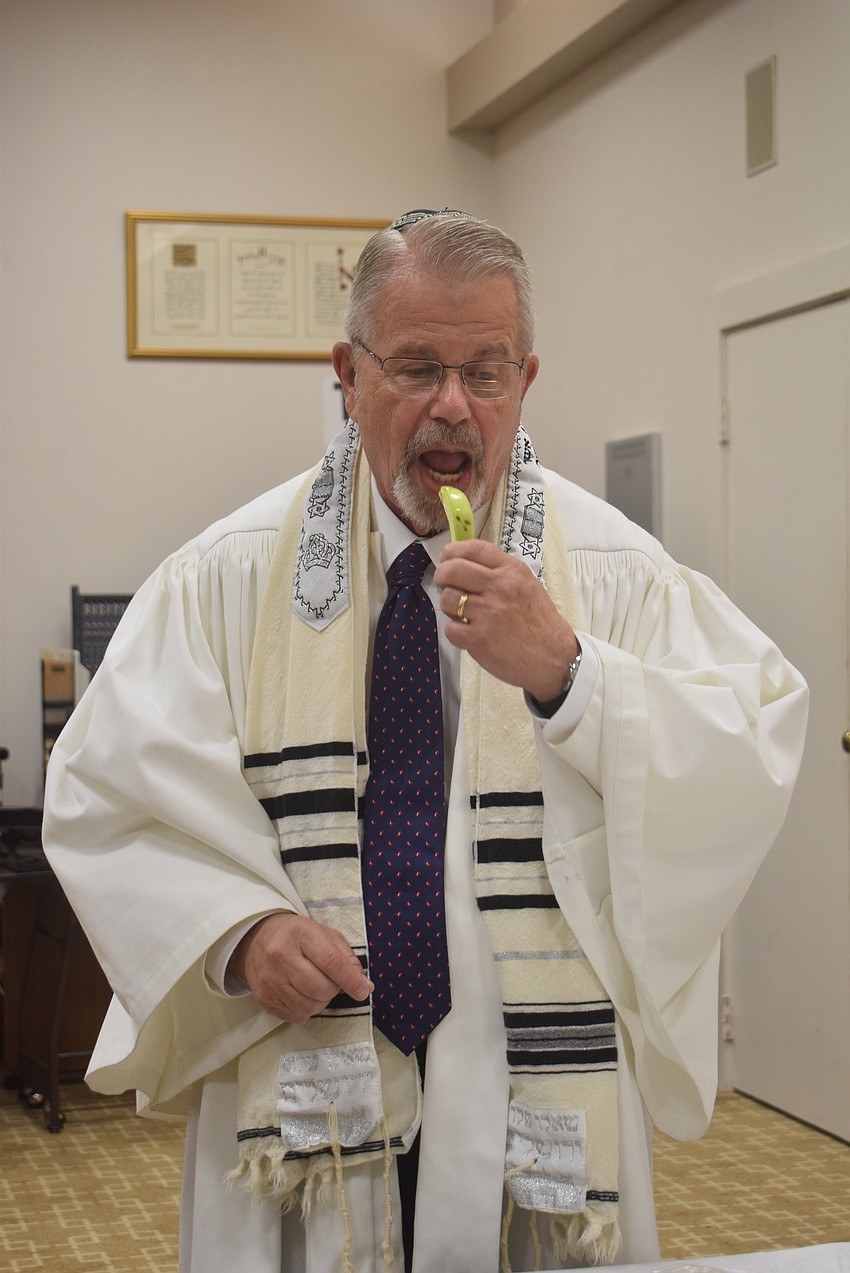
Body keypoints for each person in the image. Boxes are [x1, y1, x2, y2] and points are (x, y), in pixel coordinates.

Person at [42, 209, 808, 1273]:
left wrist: (570, 673)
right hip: (307, 1057)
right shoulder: (232, 575)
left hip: (523, 1064)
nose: (454, 405)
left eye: (485, 371)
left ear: (526, 379)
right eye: (416, 367)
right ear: (347, 377)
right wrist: (239, 931)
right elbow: (107, 792)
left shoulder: (609, 571)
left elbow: (750, 737)